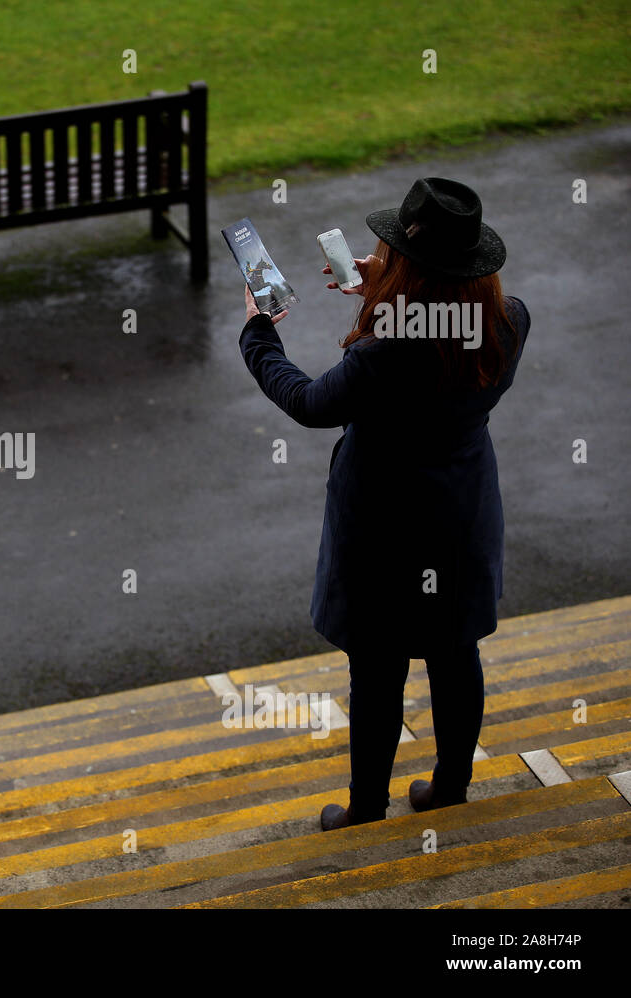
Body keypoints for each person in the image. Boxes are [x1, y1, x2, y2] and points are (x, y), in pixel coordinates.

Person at [237, 178, 530, 831]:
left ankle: (366, 809)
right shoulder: (509, 322)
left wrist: (259, 335)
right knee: (456, 653)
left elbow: (311, 403)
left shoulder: (382, 357)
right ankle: (451, 789)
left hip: (383, 531)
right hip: (461, 518)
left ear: (410, 270)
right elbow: (448, 323)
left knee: (377, 666)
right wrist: (393, 293)